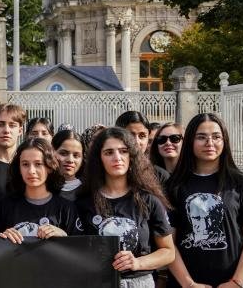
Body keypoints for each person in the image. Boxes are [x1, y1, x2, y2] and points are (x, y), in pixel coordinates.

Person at [166, 113, 243, 288]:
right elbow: (168, 244)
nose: (209, 143)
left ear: (224, 140)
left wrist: (237, 282)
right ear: (190, 141)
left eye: (216, 137)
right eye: (201, 137)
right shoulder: (174, 186)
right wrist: (188, 284)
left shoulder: (242, 183)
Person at [76, 127, 175, 288]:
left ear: (132, 156)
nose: (117, 157)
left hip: (140, 282)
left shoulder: (148, 200)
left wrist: (137, 263)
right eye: (109, 152)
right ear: (99, 158)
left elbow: (168, 252)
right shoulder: (83, 202)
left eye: (123, 151)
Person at [0, 139, 77, 244]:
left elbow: (81, 252)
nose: (31, 171)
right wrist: (2, 238)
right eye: (25, 164)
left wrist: (64, 236)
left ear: (50, 167)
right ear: (18, 168)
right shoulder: (4, 207)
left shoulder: (67, 209)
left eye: (38, 164)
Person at [116, 111, 170, 184]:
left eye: (142, 136)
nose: (137, 142)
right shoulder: (107, 173)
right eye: (130, 135)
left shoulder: (160, 176)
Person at [51, 129, 85, 201]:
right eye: (63, 153)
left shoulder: (88, 191)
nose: (70, 160)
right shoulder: (43, 189)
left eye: (76, 155)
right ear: (52, 152)